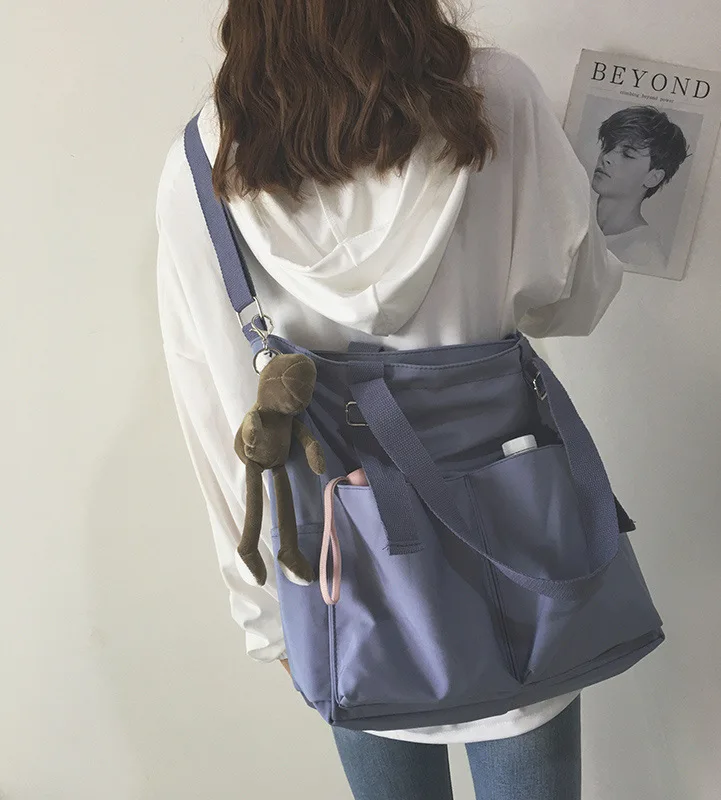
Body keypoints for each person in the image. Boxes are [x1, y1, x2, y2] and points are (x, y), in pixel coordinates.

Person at [155, 3, 623, 798]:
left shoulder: (203, 166)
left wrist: (266, 618)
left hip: (344, 587)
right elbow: (575, 299)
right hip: (512, 552)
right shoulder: (496, 98)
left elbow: (226, 417)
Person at [591, 105, 690, 271]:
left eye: (627, 154)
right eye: (608, 146)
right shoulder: (576, 221)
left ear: (653, 178)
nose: (606, 157)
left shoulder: (646, 256)